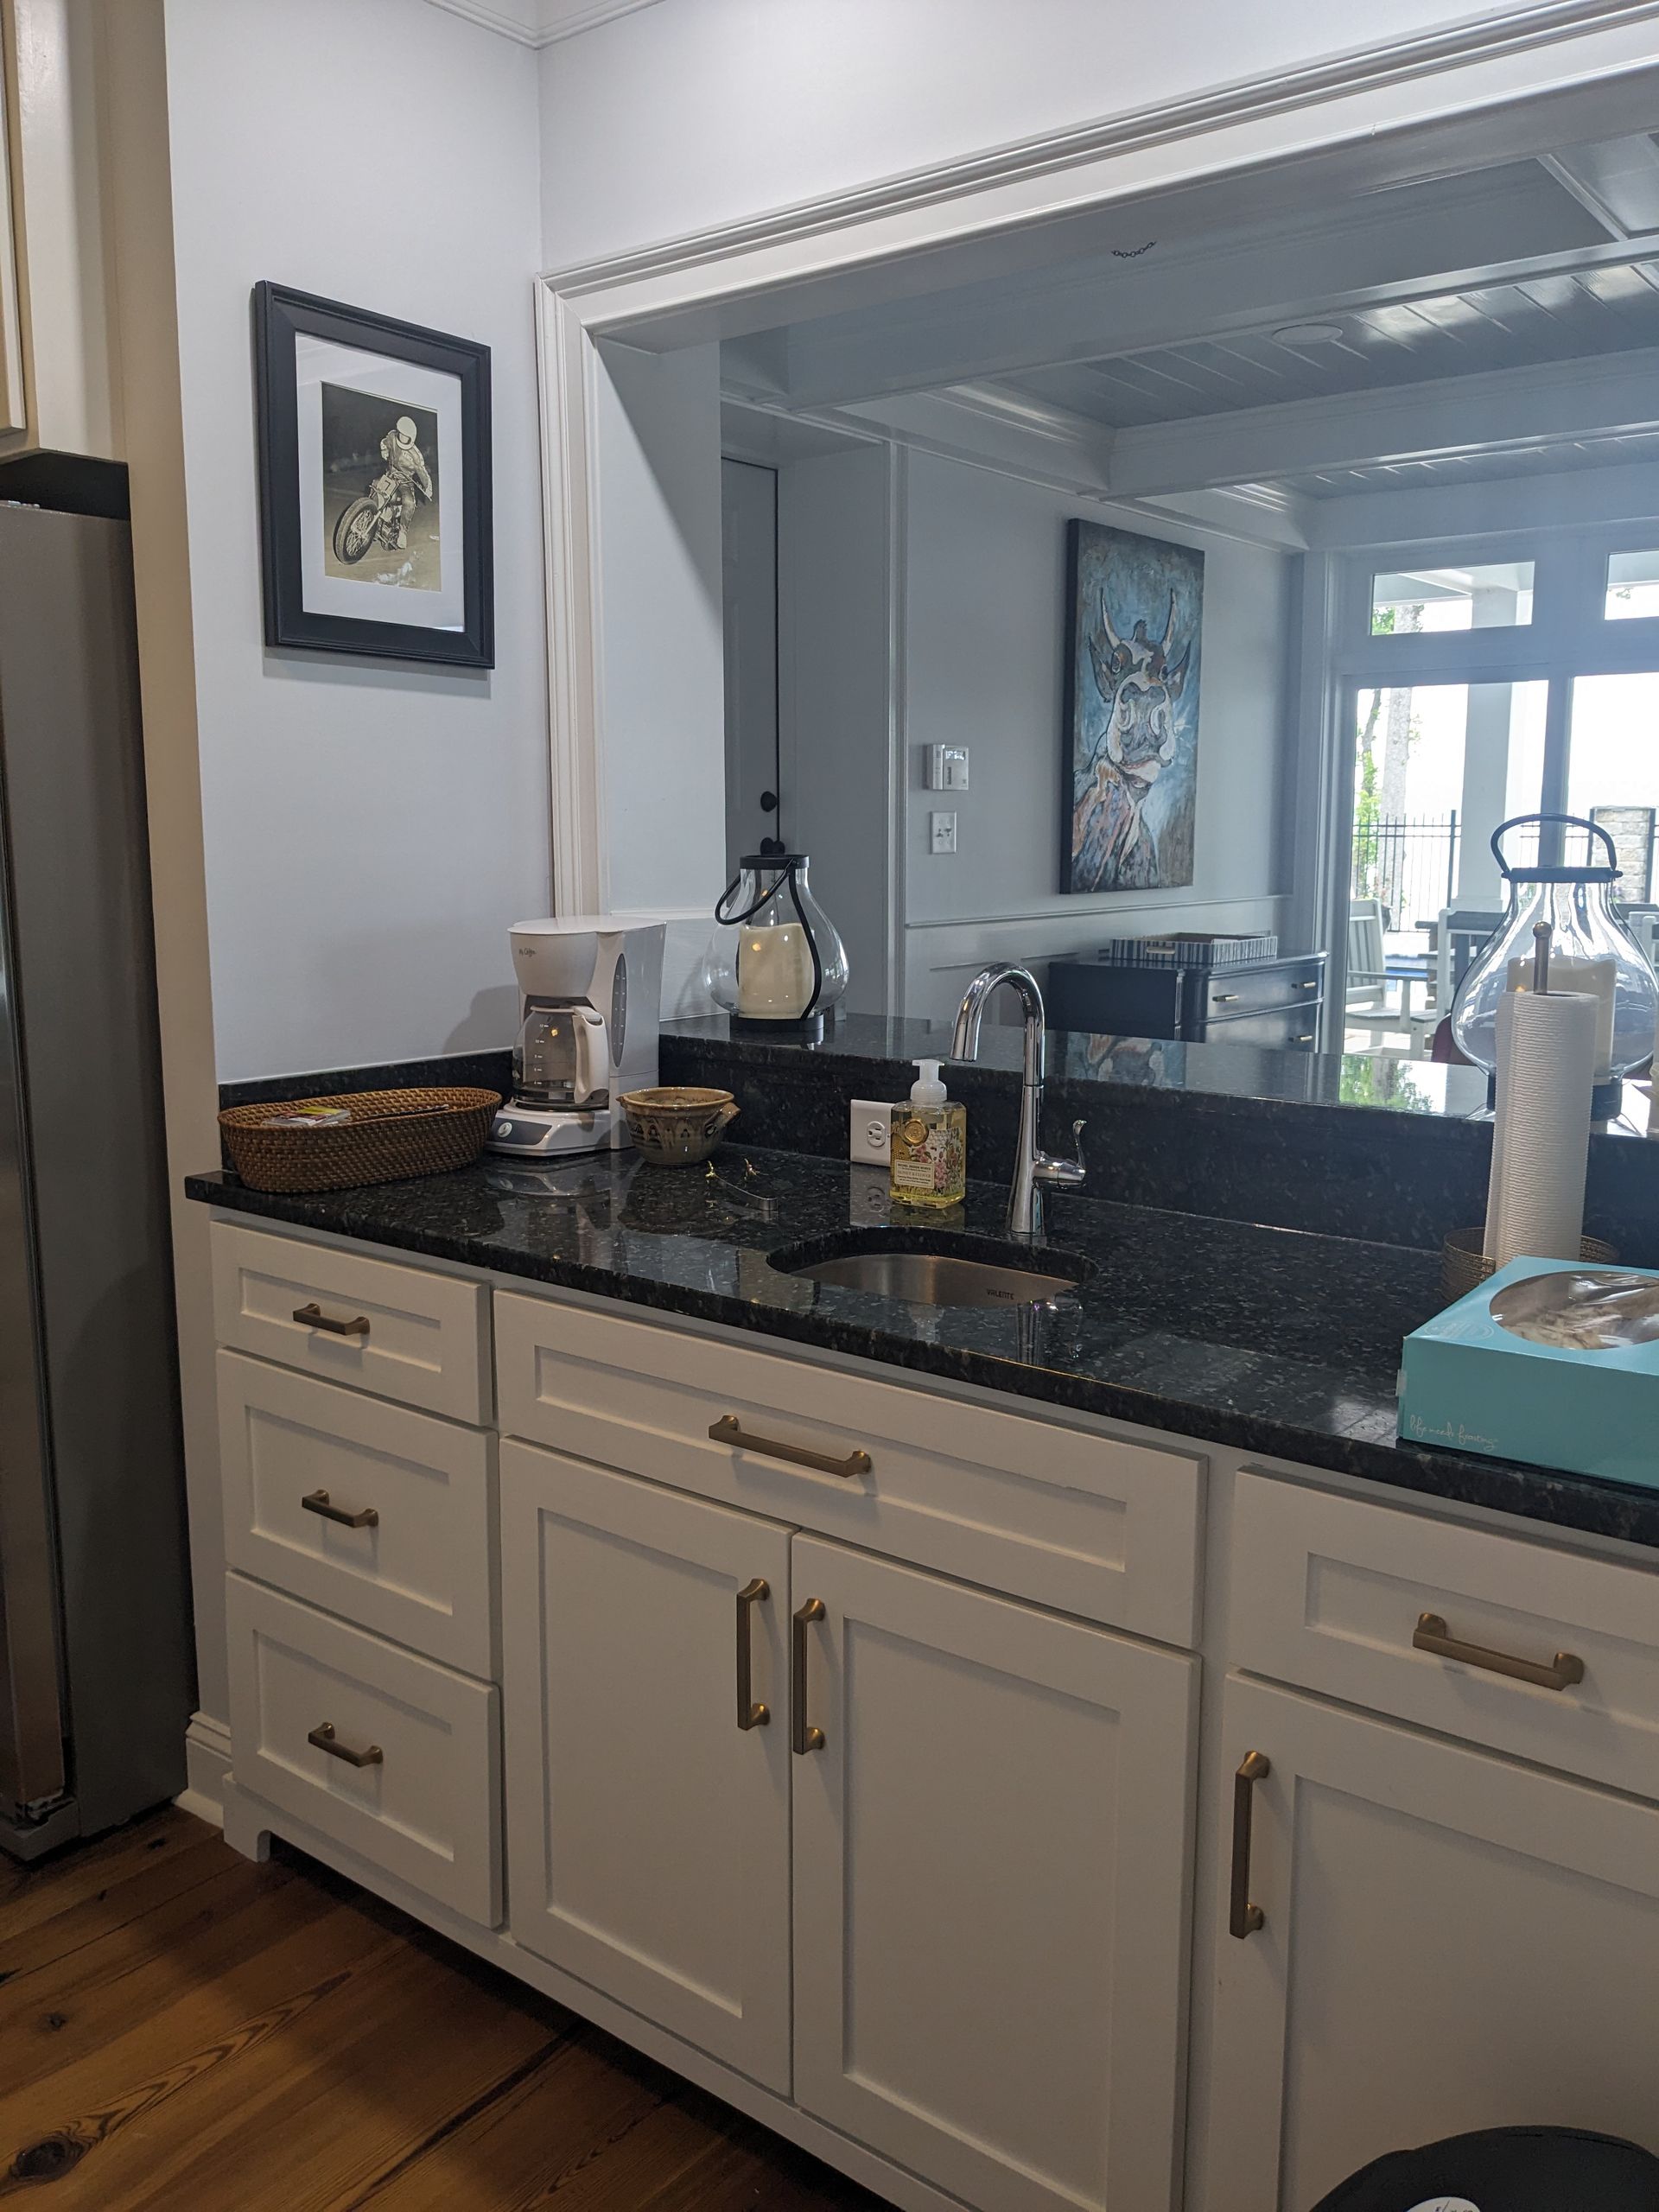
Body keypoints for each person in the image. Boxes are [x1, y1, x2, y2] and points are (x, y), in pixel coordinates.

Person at [372, 416, 432, 550]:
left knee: (410, 503)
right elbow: (384, 442)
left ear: (411, 437)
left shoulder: (415, 455)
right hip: (390, 474)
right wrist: (384, 450)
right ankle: (371, 517)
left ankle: (403, 533)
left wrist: (428, 487)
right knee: (375, 485)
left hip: (406, 481)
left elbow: (422, 472)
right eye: (401, 433)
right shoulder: (392, 437)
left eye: (406, 436)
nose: (402, 437)